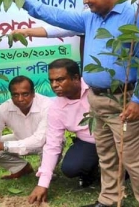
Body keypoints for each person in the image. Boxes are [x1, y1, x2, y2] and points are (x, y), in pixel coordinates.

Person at [23, 0, 139, 207]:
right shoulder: (92, 18)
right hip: (96, 99)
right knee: (106, 154)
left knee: (133, 159)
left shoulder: (138, 17)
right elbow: (57, 16)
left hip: (126, 99)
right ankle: (109, 199)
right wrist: (23, 0)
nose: (85, 1)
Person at [28, 58, 99, 204]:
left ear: (75, 78)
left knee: (127, 172)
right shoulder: (56, 109)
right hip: (88, 142)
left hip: (114, 137)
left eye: (60, 80)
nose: (54, 85)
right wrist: (43, 183)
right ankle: (91, 172)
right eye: (51, 80)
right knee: (71, 168)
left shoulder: (96, 86)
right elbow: (52, 144)